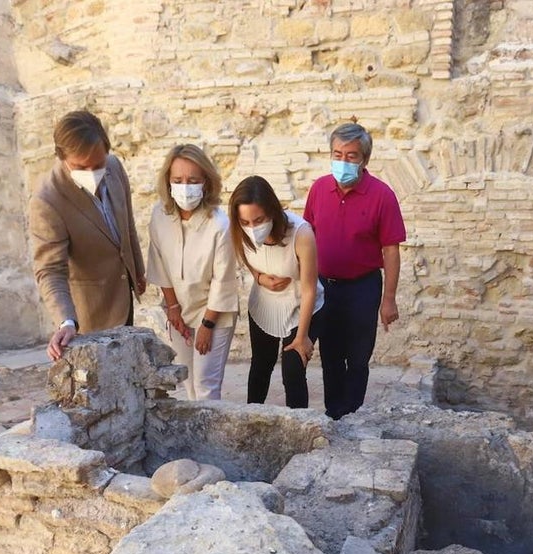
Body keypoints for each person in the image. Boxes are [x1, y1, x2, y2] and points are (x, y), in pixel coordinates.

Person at [304, 122, 406, 419]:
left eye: (351, 156)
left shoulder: (382, 195)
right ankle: (334, 414)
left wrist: (389, 299)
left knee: (358, 358)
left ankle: (353, 414)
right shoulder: (319, 189)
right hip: (325, 286)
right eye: (337, 154)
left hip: (363, 288)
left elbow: (391, 250)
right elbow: (306, 234)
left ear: (364, 159)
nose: (343, 161)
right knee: (330, 356)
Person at [30, 110, 146, 361]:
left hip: (123, 296)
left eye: (98, 165)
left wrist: (137, 269)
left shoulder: (114, 166)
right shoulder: (47, 200)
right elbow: (50, 270)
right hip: (90, 313)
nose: (93, 172)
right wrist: (66, 321)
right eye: (82, 167)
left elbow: (127, 222)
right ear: (62, 157)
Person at [147, 145, 239, 400]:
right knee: (187, 383)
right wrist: (173, 308)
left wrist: (207, 325)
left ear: (206, 183)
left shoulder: (220, 224)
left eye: (193, 180)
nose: (185, 187)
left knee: (206, 386)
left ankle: (212, 439)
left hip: (213, 313)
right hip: (178, 309)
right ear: (168, 182)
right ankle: (195, 440)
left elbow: (224, 281)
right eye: (178, 180)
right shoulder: (159, 215)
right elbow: (159, 262)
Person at [228, 176, 325, 409]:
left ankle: (298, 428)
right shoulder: (239, 231)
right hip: (264, 303)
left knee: (292, 368)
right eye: (245, 222)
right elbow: (245, 256)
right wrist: (259, 277)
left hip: (301, 305)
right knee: (261, 364)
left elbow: (310, 288)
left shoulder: (301, 234)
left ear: (272, 210)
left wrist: (302, 338)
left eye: (259, 220)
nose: (252, 228)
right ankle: (251, 420)